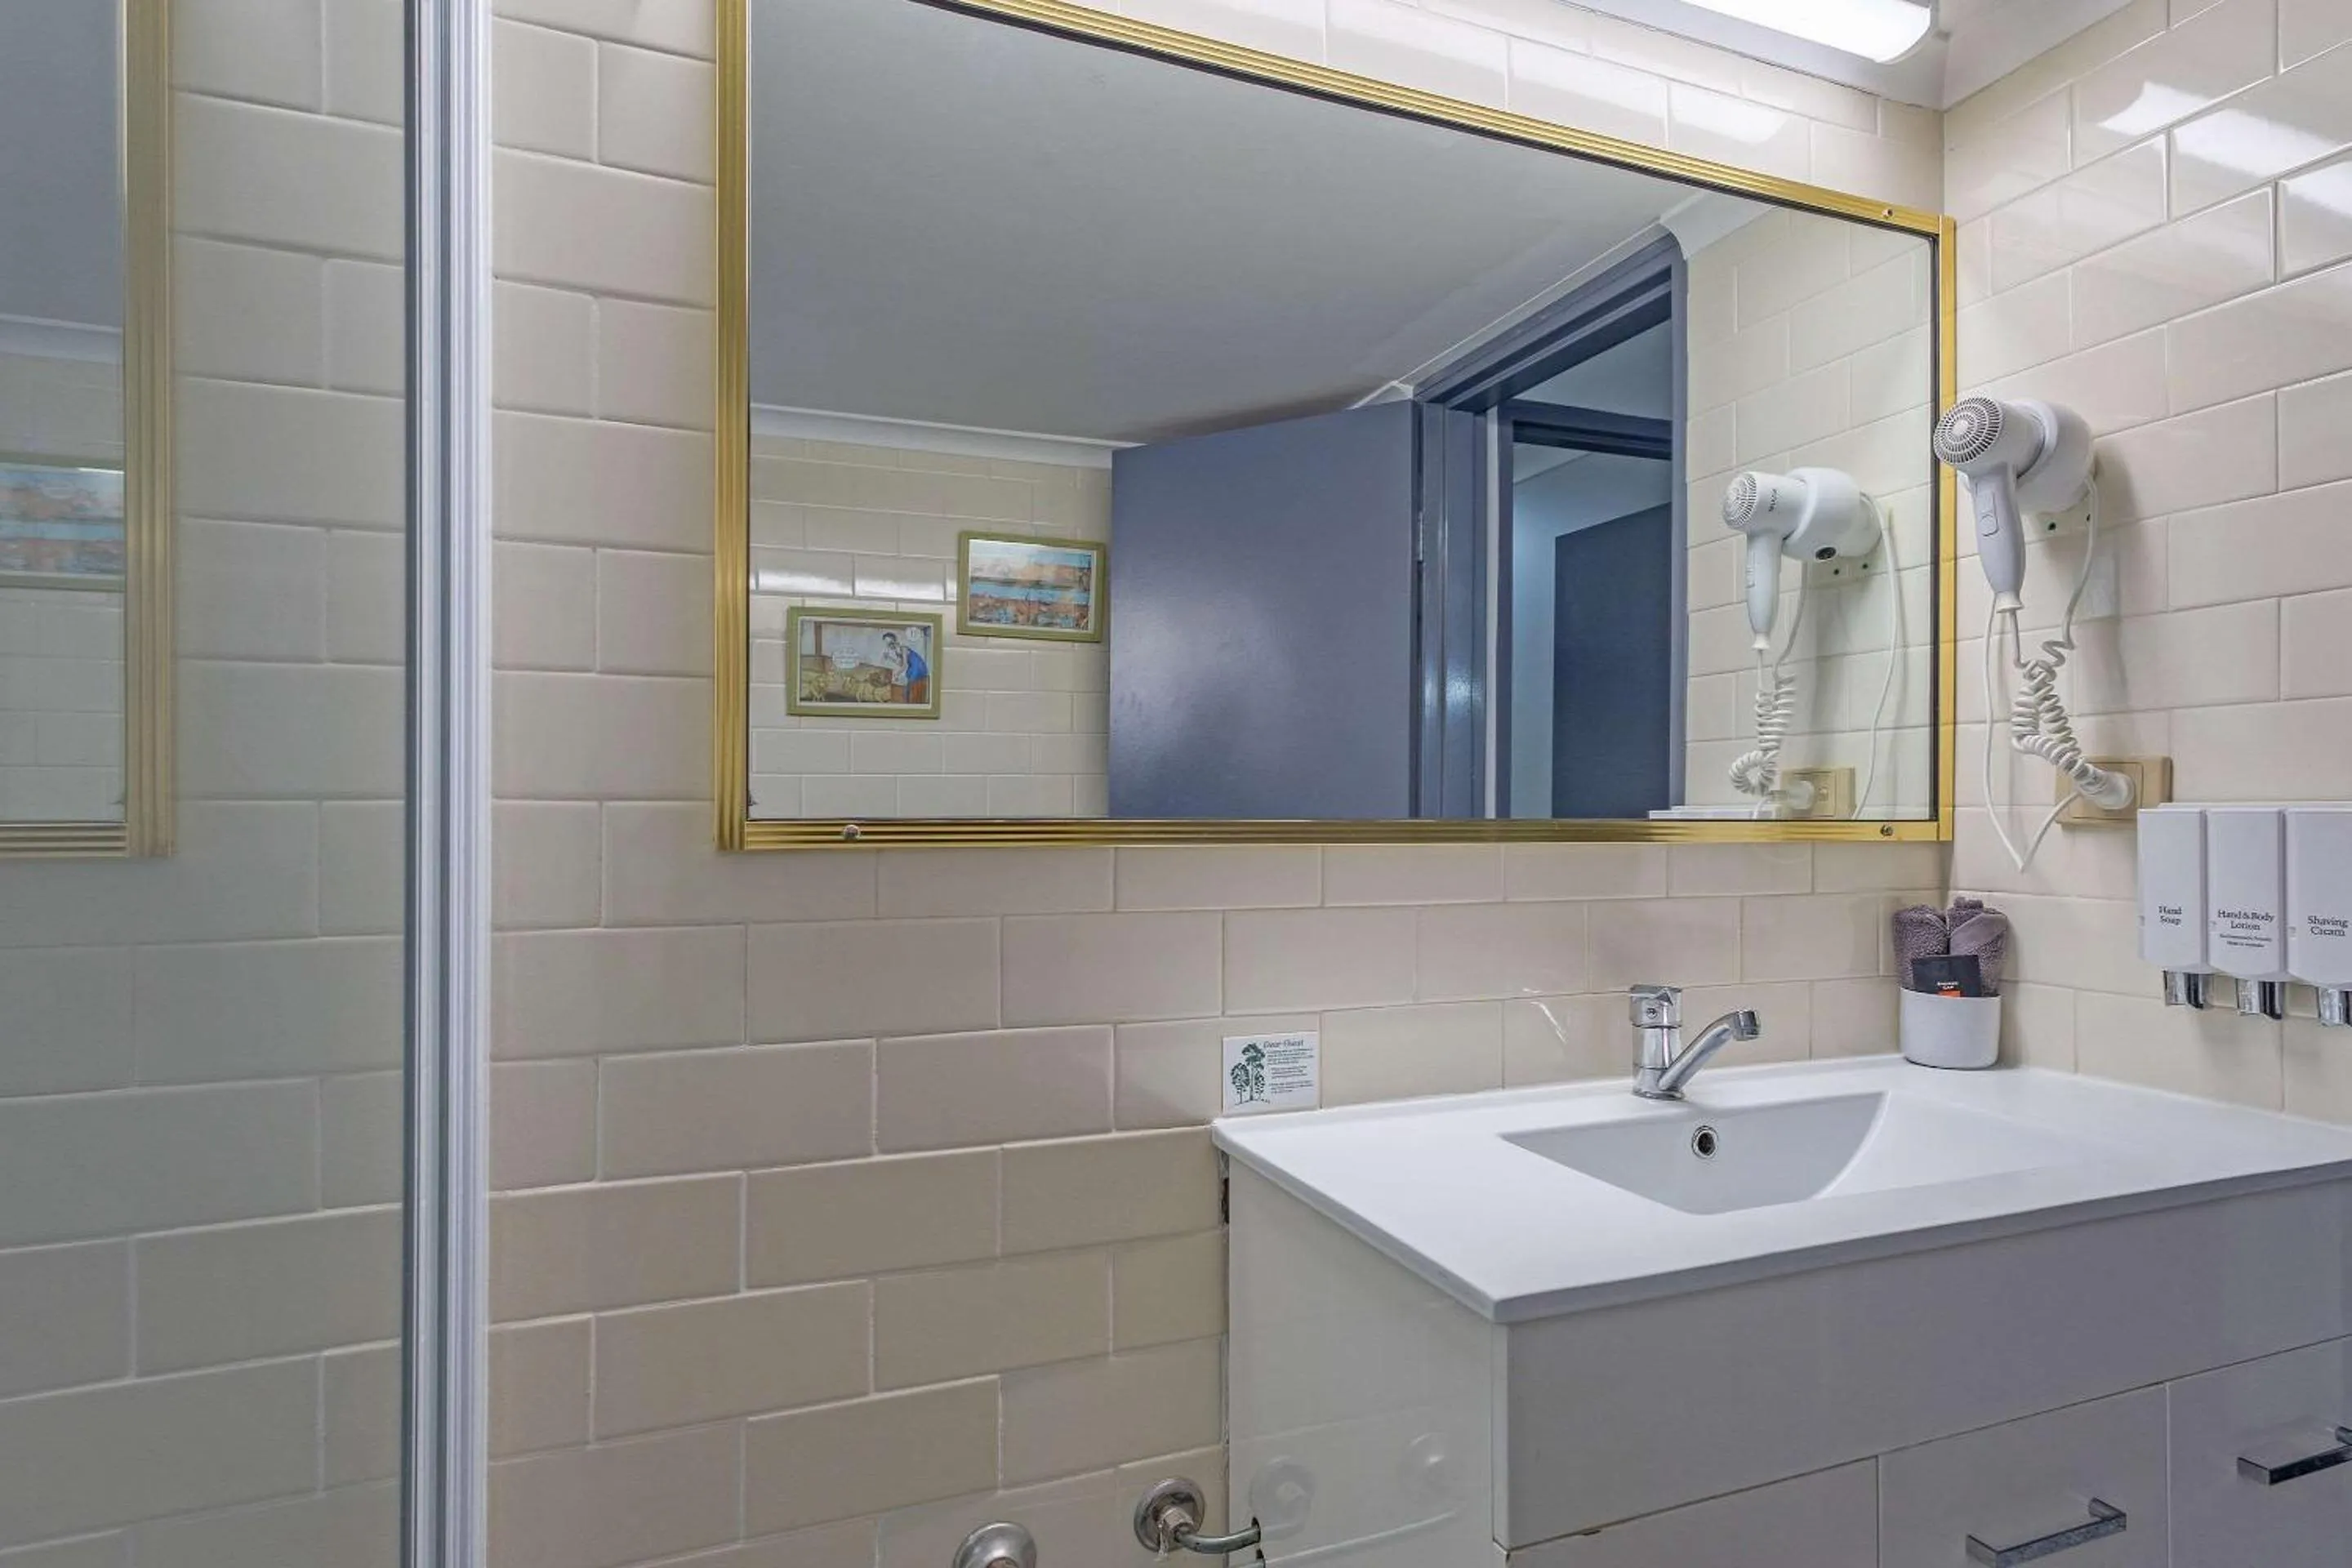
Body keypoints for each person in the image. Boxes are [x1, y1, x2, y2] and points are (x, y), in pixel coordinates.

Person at [881, 630, 930, 706]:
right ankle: (907, 703)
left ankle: (908, 705)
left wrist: (896, 675)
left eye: (890, 643)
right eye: (887, 644)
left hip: (918, 667)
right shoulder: (898, 652)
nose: (890, 646)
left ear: (895, 640)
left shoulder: (903, 648)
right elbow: (901, 664)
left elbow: (904, 666)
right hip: (913, 668)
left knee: (908, 688)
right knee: (906, 687)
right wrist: (889, 658)